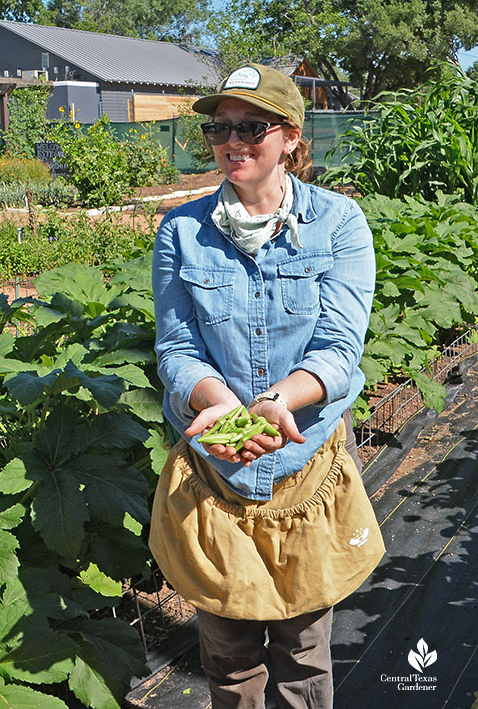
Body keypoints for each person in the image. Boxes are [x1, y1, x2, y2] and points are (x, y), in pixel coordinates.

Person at [148, 63, 386, 708]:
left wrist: (276, 403)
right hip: (216, 464)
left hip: (303, 463)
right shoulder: (181, 231)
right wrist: (220, 406)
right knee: (225, 651)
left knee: (303, 650)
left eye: (252, 127)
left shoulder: (339, 224)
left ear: (289, 138)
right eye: (220, 128)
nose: (233, 141)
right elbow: (176, 348)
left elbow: (339, 349)